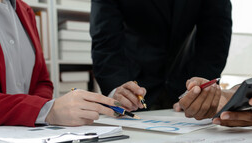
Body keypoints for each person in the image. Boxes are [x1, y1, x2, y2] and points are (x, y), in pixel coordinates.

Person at [0, 0, 118, 127]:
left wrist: (40, 115)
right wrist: (43, 111)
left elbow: (42, 81)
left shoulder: (26, 12)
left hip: (30, 136)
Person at [90, 0, 232, 111]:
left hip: (185, 83)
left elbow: (216, 36)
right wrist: (117, 89)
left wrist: (200, 90)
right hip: (132, 83)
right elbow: (105, 40)